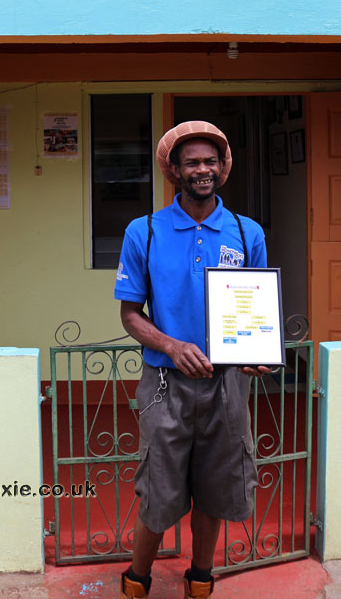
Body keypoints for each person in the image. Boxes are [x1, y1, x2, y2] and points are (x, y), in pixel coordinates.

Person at [114, 121, 269, 599]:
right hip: (166, 383)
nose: (202, 169)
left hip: (228, 385)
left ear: (223, 168)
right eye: (192, 162)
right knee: (159, 488)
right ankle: (136, 580)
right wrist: (172, 346)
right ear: (174, 171)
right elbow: (129, 314)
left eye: (210, 161)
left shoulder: (246, 231)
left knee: (217, 484)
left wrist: (256, 351)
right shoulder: (146, 231)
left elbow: (256, 305)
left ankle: (200, 580)